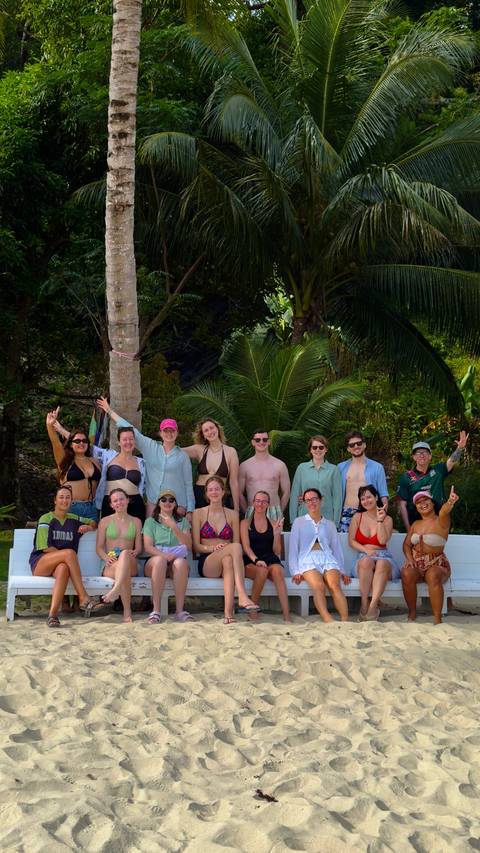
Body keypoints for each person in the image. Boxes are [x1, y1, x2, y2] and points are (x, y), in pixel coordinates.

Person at [96, 398, 194, 519]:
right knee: (148, 536)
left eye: (172, 431)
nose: (169, 434)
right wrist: (110, 411)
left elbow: (188, 485)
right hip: (153, 504)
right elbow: (129, 429)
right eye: (165, 431)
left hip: (177, 505)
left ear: (177, 433)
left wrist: (189, 510)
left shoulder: (183, 456)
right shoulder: (150, 447)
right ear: (160, 433)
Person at [50, 408, 146, 522]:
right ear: (118, 442)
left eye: (131, 439)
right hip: (99, 505)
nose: (128, 442)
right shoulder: (107, 456)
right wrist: (59, 430)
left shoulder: (142, 463)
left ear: (135, 441)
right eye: (124, 439)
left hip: (125, 506)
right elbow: (79, 442)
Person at [29, 485, 106, 627]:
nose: (65, 500)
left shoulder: (74, 518)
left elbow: (93, 522)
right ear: (55, 500)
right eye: (61, 497)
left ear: (72, 501)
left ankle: (52, 616)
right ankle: (83, 597)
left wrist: (89, 527)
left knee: (64, 568)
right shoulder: (46, 518)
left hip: (60, 565)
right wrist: (65, 555)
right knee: (69, 554)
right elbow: (44, 548)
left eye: (68, 498)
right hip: (41, 563)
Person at [192, 476, 260, 624]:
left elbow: (237, 545)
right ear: (206, 493)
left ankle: (228, 614)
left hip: (226, 560)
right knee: (235, 547)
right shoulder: (198, 513)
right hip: (208, 562)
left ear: (223, 492)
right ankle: (242, 595)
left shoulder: (233, 514)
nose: (214, 492)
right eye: (210, 489)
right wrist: (212, 548)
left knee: (229, 559)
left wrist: (225, 550)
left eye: (217, 489)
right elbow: (196, 546)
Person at [288, 488, 351, 622]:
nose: (311, 502)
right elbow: (293, 548)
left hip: (327, 558)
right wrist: (295, 571)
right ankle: (328, 619)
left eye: (314, 499)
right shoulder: (299, 522)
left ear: (321, 500)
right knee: (318, 586)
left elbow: (336, 548)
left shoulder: (330, 524)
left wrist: (342, 570)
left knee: (334, 585)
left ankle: (345, 620)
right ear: (305, 503)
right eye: (308, 500)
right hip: (307, 559)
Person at [401, 486, 458, 624]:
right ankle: (412, 613)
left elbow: (444, 511)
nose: (423, 503)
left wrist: (450, 502)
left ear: (433, 503)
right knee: (406, 573)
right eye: (419, 502)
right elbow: (406, 545)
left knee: (432, 575)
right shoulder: (416, 524)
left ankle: (437, 619)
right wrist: (409, 559)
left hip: (437, 563)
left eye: (426, 499)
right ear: (416, 507)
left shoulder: (441, 520)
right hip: (417, 563)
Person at [348, 485, 400, 621]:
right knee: (366, 561)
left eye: (369, 497)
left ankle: (373, 605)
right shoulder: (357, 517)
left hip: (384, 557)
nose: (366, 501)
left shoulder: (387, 519)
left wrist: (379, 520)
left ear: (376, 497)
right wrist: (366, 550)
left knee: (382, 564)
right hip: (364, 556)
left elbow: (382, 540)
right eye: (362, 498)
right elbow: (351, 541)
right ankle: (364, 603)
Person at [397, 432, 468, 530]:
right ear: (413, 457)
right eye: (418, 453)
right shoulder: (407, 476)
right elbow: (402, 504)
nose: (422, 455)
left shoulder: (438, 470)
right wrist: (408, 528)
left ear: (430, 456)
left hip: (438, 521)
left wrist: (460, 448)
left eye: (425, 452)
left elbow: (452, 461)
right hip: (416, 523)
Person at [143, 490, 193, 624]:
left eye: (171, 500)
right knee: (159, 561)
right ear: (158, 503)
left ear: (175, 504)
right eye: (163, 499)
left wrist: (174, 527)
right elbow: (148, 547)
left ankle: (179, 611)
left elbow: (188, 545)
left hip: (175, 565)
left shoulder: (182, 522)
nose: (167, 502)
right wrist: (165, 555)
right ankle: (156, 610)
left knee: (181, 563)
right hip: (155, 564)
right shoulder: (150, 522)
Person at [240, 490, 291, 622]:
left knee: (279, 571)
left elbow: (277, 550)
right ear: (253, 503)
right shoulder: (245, 523)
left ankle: (287, 615)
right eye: (257, 501)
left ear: (268, 504)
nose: (260, 504)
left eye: (264, 501)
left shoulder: (274, 522)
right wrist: (256, 560)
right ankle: (253, 609)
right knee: (262, 571)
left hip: (269, 558)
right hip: (251, 559)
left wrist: (276, 534)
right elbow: (246, 547)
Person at [96, 488, 143, 623]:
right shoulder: (104, 521)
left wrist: (136, 551)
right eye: (115, 500)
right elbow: (99, 548)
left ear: (128, 500)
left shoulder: (136, 521)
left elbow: (139, 546)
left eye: (121, 499)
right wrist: (106, 558)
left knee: (125, 554)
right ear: (111, 505)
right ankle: (127, 611)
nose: (119, 502)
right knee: (123, 572)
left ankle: (115, 590)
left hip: (130, 560)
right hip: (111, 563)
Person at [46, 411, 101, 520]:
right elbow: (55, 443)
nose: (81, 443)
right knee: (70, 536)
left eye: (85, 441)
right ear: (71, 444)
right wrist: (50, 426)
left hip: (93, 507)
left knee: (90, 537)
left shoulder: (95, 461)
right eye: (77, 441)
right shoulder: (64, 460)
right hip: (71, 507)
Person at [182, 419, 240, 510]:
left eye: (211, 428)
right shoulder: (199, 450)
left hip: (220, 496)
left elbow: (234, 482)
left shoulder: (231, 452)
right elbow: (176, 451)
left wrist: (236, 509)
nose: (210, 432)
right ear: (203, 435)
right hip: (200, 495)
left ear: (217, 429)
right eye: (206, 430)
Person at [337, 430, 388, 532]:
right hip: (346, 513)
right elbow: (331, 490)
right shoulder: (340, 467)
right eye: (352, 445)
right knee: (344, 545)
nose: (356, 446)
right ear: (348, 449)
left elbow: (383, 494)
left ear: (364, 445)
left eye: (359, 443)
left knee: (368, 545)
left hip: (369, 512)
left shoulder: (377, 467)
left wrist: (384, 515)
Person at [289, 435, 342, 526]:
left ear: (326, 449)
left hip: (327, 517)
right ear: (310, 450)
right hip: (304, 516)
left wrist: (336, 522)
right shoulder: (302, 468)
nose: (318, 450)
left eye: (321, 447)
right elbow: (295, 495)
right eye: (314, 447)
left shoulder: (334, 469)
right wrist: (293, 520)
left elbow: (337, 498)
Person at [238, 429, 290, 520]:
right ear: (253, 442)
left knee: (275, 535)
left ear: (269, 442)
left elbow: (286, 492)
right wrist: (247, 511)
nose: (261, 442)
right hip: (252, 510)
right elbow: (239, 493)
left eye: (264, 439)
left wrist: (279, 511)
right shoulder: (244, 466)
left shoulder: (280, 465)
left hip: (274, 511)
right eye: (258, 440)